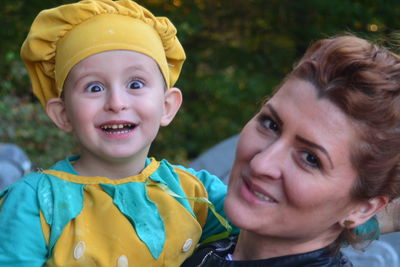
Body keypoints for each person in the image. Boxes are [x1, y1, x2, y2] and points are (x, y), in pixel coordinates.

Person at [0, 0, 234, 265]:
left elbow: (272, 231)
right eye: (94, 88)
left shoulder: (196, 193)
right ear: (63, 114)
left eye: (135, 83)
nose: (116, 102)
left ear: (167, 107)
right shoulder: (35, 203)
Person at [182, 35, 400, 266]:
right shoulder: (194, 230)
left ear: (363, 209)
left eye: (310, 159)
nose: (261, 164)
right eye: (271, 124)